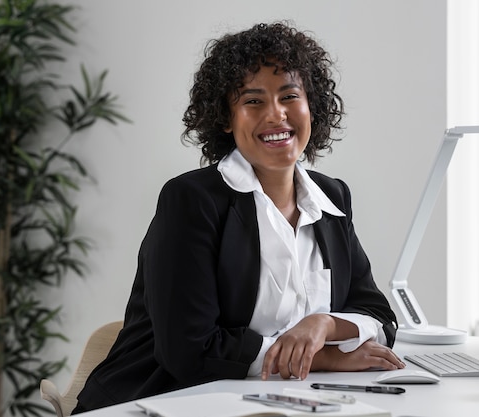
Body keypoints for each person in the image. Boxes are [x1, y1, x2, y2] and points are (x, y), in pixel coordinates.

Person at [72, 21, 404, 413]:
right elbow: (189, 351)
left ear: (310, 106)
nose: (276, 115)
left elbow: (379, 318)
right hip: (160, 401)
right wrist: (323, 357)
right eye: (253, 101)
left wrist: (324, 326)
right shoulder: (191, 201)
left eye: (289, 96)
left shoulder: (331, 198)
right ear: (226, 119)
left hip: (278, 403)